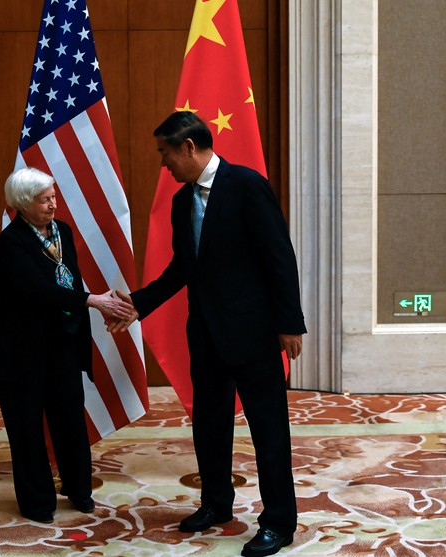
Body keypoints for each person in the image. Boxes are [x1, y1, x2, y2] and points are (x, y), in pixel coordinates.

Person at [110, 111, 306, 557]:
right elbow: (182, 268)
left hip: (254, 333)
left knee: (268, 431)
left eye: (165, 153)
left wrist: (289, 323)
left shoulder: (247, 185)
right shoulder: (182, 201)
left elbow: (279, 255)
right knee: (209, 425)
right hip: (205, 333)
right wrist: (138, 304)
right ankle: (216, 503)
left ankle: (279, 522)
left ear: (188, 147)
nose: (163, 164)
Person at [0, 167, 132, 524]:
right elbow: (37, 291)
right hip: (18, 351)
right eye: (44, 200)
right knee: (27, 429)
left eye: (54, 196)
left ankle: (79, 490)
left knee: (70, 421)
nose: (53, 204)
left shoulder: (62, 231)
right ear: (22, 204)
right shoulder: (12, 243)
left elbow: (69, 279)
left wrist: (90, 306)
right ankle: (37, 502)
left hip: (61, 344)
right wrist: (92, 301)